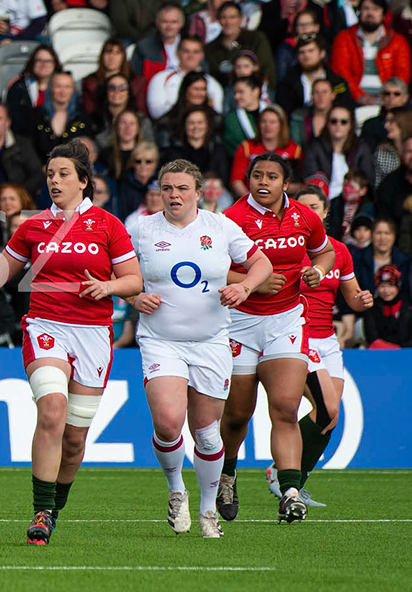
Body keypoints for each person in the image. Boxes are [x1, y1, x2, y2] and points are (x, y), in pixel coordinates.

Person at [0, 142, 142, 545]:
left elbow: (133, 280)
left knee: (75, 440)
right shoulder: (33, 225)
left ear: (83, 181)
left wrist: (108, 286)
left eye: (63, 174)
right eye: (50, 174)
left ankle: (55, 506)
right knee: (52, 410)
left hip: (94, 334)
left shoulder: (108, 225)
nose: (54, 181)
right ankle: (40, 512)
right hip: (46, 325)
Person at [127, 158, 272, 540]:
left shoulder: (220, 226)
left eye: (182, 188)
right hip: (161, 341)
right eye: (167, 188)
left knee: (208, 435)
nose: (174, 195)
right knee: (168, 422)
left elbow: (262, 263)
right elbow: (120, 275)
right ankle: (177, 490)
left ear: (199, 191)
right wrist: (134, 298)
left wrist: (245, 287)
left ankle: (209, 511)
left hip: (211, 342)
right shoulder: (140, 229)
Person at [217, 154, 339, 524]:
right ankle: (227, 473)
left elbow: (326, 250)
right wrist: (248, 281)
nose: (263, 182)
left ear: (286, 183)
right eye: (256, 175)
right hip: (239, 322)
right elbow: (211, 267)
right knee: (238, 416)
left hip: (285, 320)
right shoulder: (231, 220)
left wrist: (318, 270)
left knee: (285, 407)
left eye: (272, 176)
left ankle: (289, 492)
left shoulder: (305, 216)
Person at [284, 188, 374, 505]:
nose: (308, 213)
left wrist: (362, 300)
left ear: (323, 213)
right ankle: (284, 472)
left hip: (328, 340)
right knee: (329, 408)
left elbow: (351, 296)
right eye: (302, 208)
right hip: (299, 335)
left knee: (330, 419)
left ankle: (294, 483)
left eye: (314, 208)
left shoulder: (339, 251)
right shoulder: (288, 249)